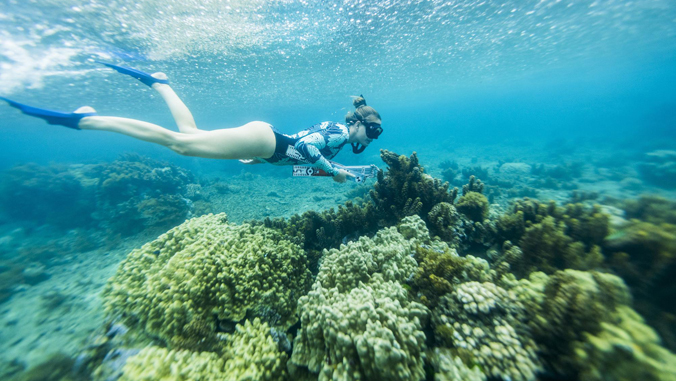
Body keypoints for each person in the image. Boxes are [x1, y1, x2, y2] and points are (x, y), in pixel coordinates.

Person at [0, 62, 383, 183]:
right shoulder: (335, 132)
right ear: (360, 124)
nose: (372, 137)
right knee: (181, 144)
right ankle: (87, 120)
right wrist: (333, 170)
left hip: (263, 145)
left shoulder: (338, 143)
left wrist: (331, 172)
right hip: (266, 141)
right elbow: (307, 149)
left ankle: (161, 83)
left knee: (189, 136)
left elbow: (299, 164)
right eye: (373, 130)